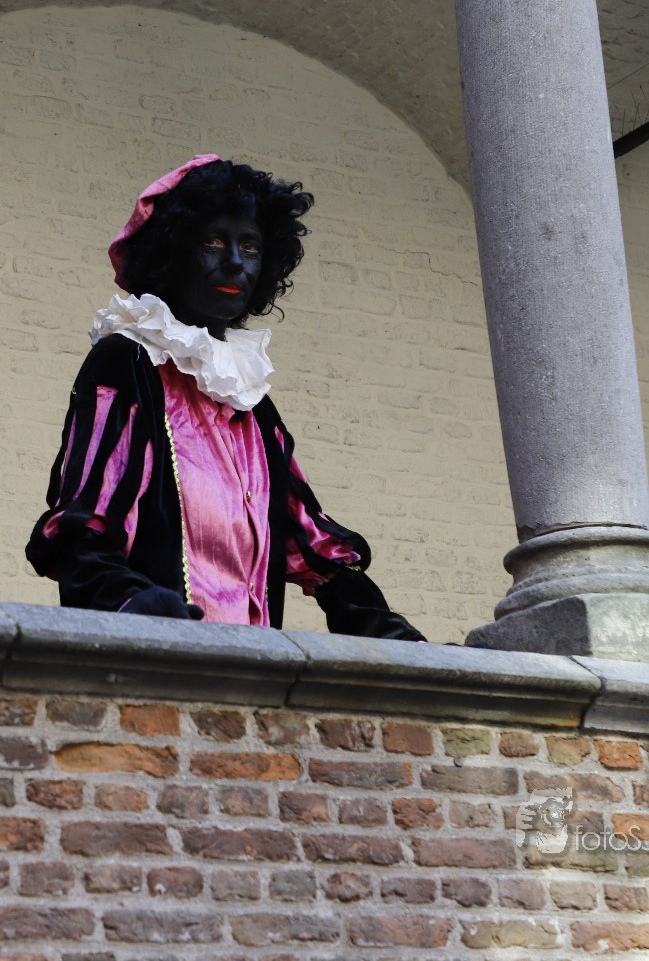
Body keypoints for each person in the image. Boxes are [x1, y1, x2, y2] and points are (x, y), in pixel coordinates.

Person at [26, 155, 426, 639]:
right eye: (213, 242)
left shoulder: (251, 403)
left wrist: (384, 630)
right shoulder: (128, 363)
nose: (235, 262)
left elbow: (310, 540)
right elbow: (85, 521)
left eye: (250, 246)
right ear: (172, 253)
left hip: (253, 666)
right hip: (155, 656)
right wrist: (132, 602)